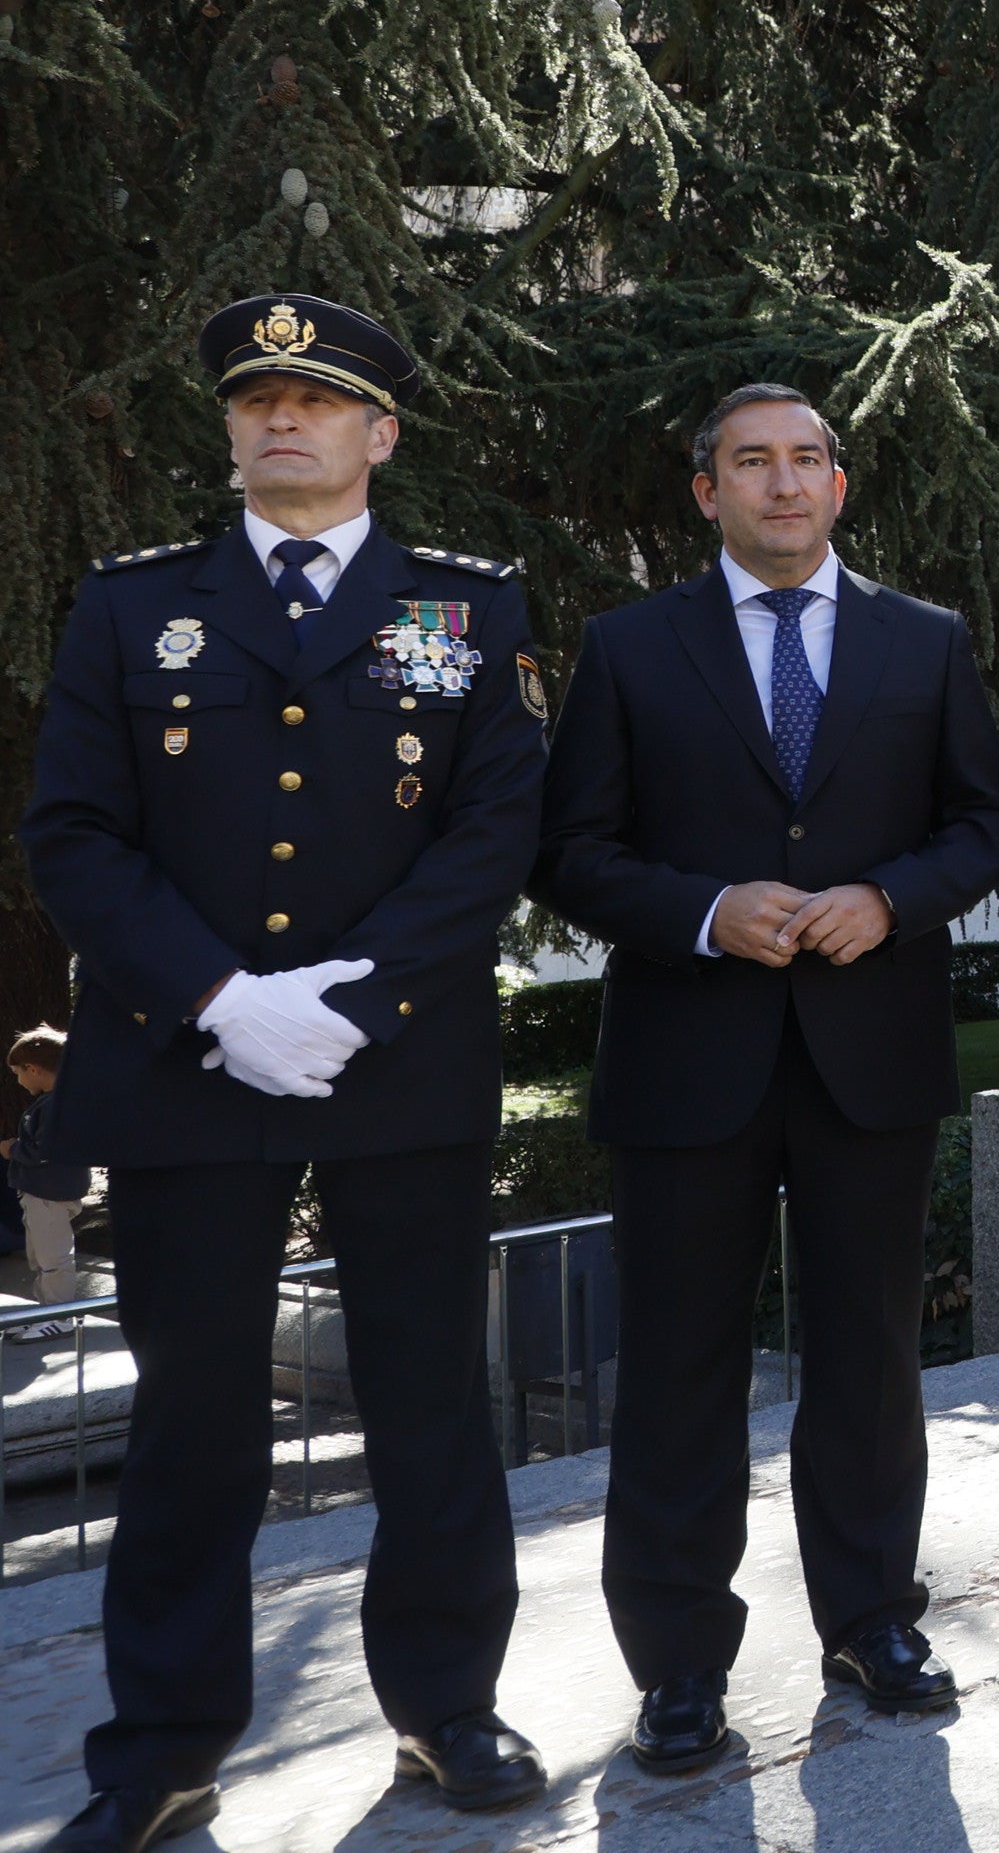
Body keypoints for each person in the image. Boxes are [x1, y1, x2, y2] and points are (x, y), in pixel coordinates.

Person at [19, 295, 551, 1851]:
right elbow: (75, 836)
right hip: (189, 1069)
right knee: (191, 1415)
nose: (280, 421)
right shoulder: (134, 610)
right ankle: (164, 1748)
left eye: (316, 402)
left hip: (399, 1069)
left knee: (432, 1399)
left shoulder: (463, 607)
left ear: (379, 434)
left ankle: (445, 1710)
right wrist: (220, 999)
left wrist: (360, 998)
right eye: (257, 399)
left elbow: (493, 831)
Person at [533, 385, 999, 1772]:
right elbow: (569, 847)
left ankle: (873, 1621)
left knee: (870, 1362)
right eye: (753, 462)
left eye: (809, 459)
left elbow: (985, 821)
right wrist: (701, 910)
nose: (784, 482)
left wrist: (889, 895)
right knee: (682, 1373)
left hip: (871, 1057)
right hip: (692, 1057)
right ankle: (680, 1666)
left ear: (842, 486)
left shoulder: (924, 644)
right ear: (707, 494)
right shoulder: (630, 649)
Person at [8, 1030, 92, 1304]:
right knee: (42, 1258)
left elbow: (45, 1152)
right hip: (43, 1195)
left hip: (48, 1196)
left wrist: (10, 1149)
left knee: (54, 1260)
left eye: (18, 1073)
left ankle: (59, 1316)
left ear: (33, 1069)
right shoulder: (60, 1102)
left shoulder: (55, 1105)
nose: (18, 1081)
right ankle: (44, 1311)